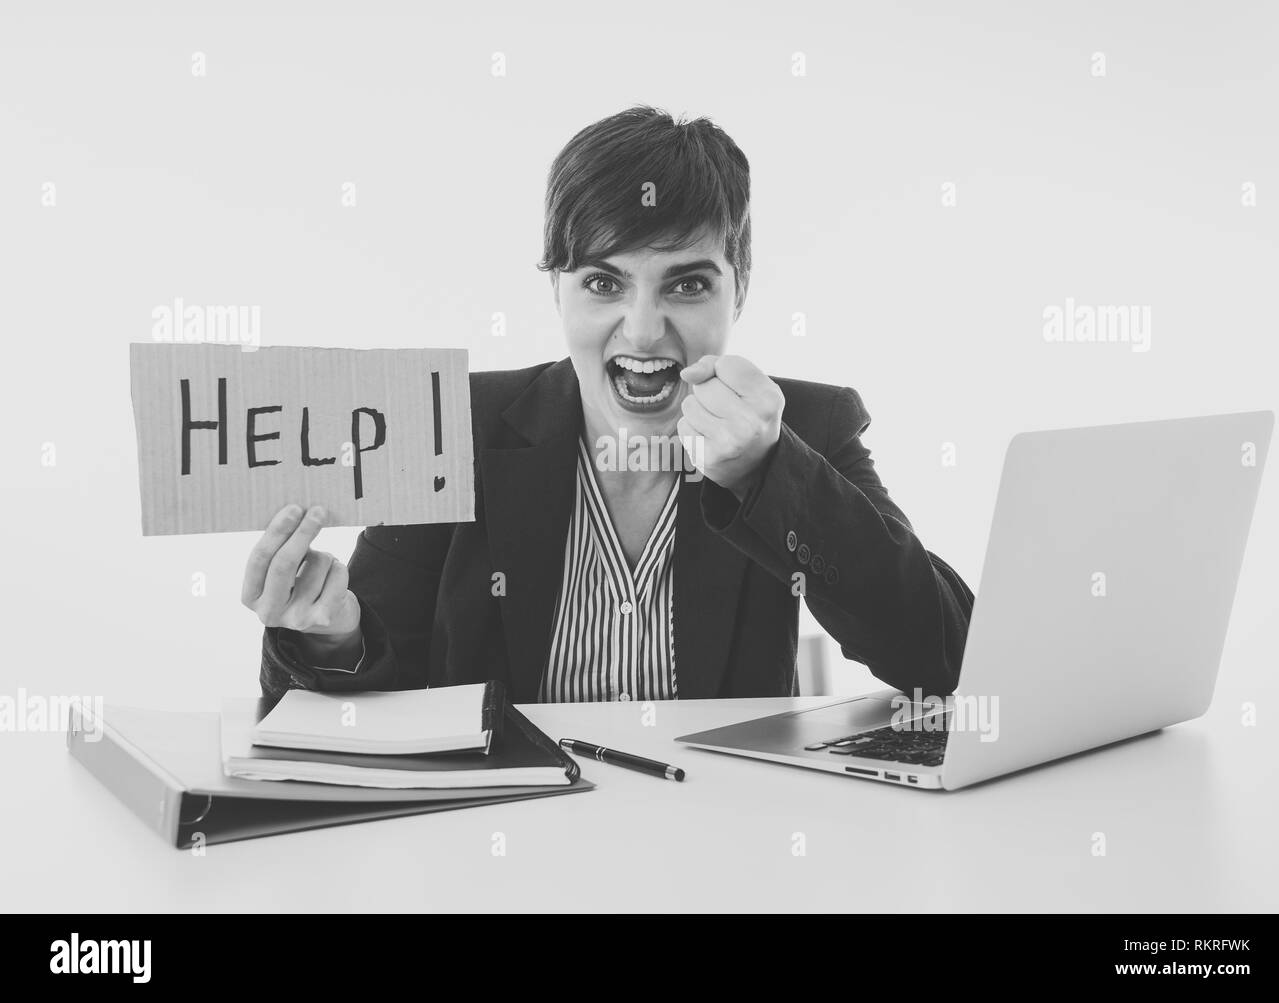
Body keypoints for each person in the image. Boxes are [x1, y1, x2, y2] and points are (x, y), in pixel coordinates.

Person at [245, 106, 974, 704]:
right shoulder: (456, 430)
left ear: (739, 288)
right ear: (555, 290)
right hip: (500, 852)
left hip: (721, 845)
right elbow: (364, 713)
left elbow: (947, 656)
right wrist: (332, 638)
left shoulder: (805, 430)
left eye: (687, 285)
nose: (645, 329)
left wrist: (769, 475)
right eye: (604, 283)